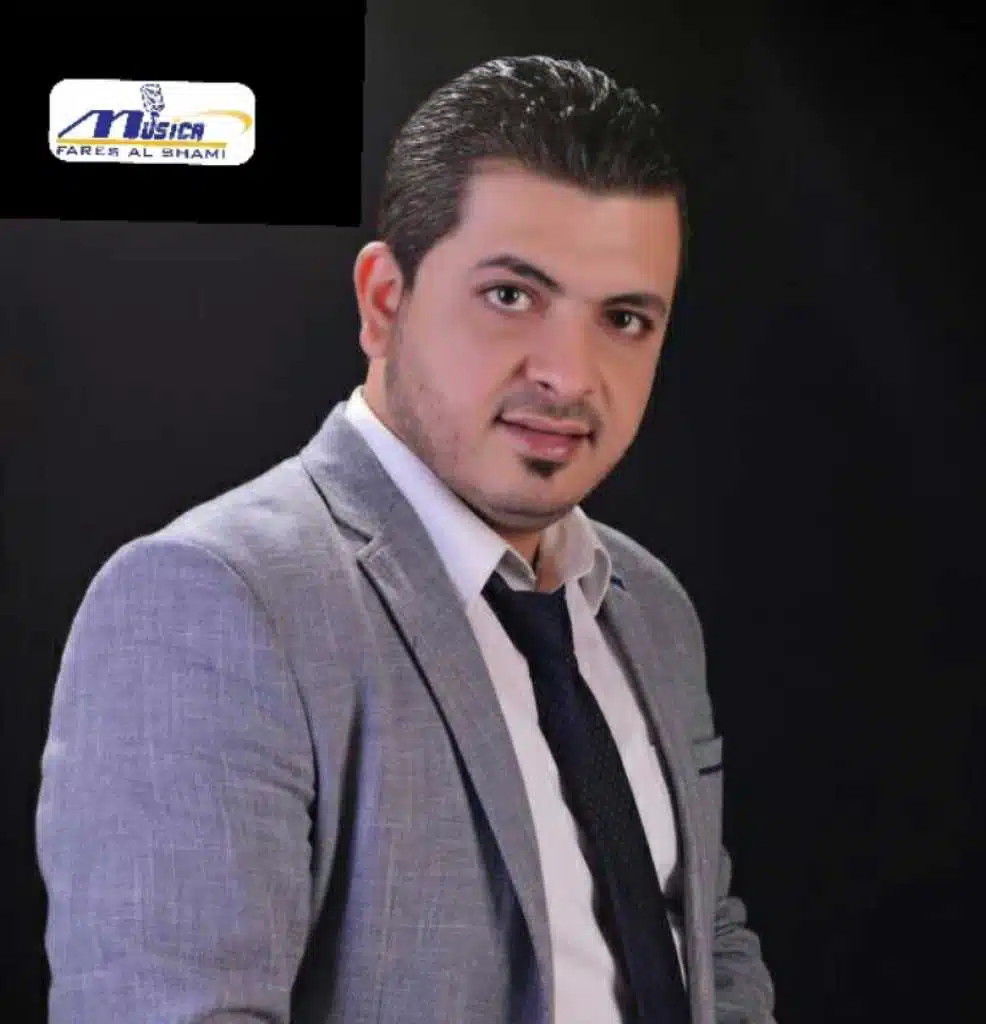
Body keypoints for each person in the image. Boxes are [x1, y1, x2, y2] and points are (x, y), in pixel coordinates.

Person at [36, 55, 775, 1023]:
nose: (568, 374)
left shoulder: (652, 607)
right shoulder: (211, 601)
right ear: (385, 301)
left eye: (624, 318)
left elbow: (705, 941)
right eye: (511, 295)